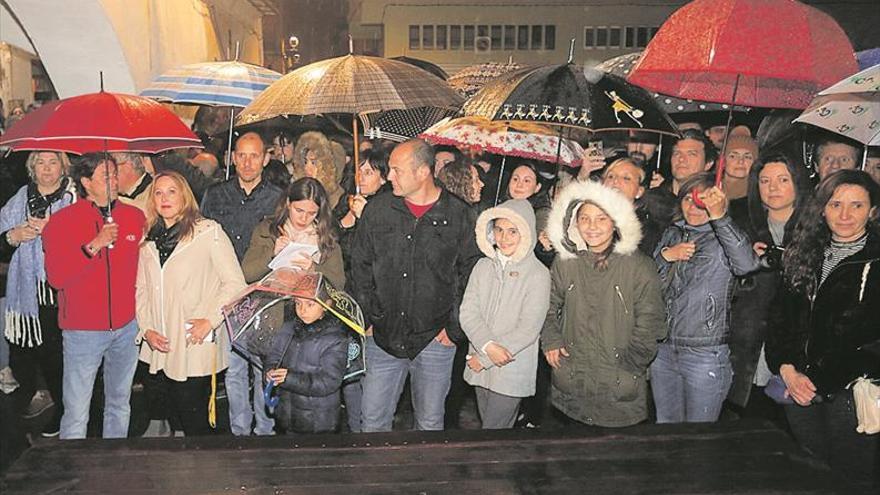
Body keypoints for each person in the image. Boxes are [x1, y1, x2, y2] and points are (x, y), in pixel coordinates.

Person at [350, 139, 481, 432]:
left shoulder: (457, 214)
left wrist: (453, 328)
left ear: (423, 172)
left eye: (396, 170)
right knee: (371, 421)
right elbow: (360, 268)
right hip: (382, 338)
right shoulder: (378, 210)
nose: (389, 176)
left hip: (435, 339)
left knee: (430, 423)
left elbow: (470, 273)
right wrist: (369, 318)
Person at [766, 170, 879, 491]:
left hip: (851, 391)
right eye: (835, 204)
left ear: (872, 210)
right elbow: (779, 320)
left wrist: (821, 378)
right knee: (809, 473)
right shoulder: (803, 253)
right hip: (797, 387)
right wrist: (787, 369)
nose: (845, 215)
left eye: (856, 205)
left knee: (851, 477)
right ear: (822, 208)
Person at [541, 181, 665, 427]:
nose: (592, 227)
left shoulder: (640, 267)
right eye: (585, 219)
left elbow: (651, 323)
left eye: (601, 218)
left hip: (619, 386)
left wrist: (630, 364)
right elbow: (547, 306)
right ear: (575, 222)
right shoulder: (566, 263)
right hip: (572, 381)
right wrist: (551, 339)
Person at [42, 153, 146, 439]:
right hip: (83, 331)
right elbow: (56, 277)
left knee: (119, 403)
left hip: (126, 327)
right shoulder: (62, 222)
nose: (113, 180)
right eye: (105, 176)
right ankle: (74, 471)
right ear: (86, 182)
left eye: (115, 173)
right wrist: (93, 245)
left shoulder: (135, 216)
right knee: (76, 411)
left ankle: (115, 464)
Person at [137, 171, 246, 436]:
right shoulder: (149, 240)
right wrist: (147, 329)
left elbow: (235, 284)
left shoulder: (208, 232)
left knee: (195, 420)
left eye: (171, 191)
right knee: (175, 419)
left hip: (194, 341)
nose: (164, 198)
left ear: (185, 195)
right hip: (161, 345)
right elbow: (140, 290)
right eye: (158, 193)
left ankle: (204, 472)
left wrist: (210, 320)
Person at [651, 173, 759, 423]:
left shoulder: (724, 235)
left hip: (704, 351)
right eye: (688, 198)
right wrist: (666, 256)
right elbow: (646, 284)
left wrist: (720, 217)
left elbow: (746, 264)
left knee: (701, 435)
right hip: (663, 349)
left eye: (702, 200)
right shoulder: (672, 233)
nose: (694, 206)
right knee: (665, 427)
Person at [201, 131, 283, 436]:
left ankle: (265, 431)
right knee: (234, 369)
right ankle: (239, 432)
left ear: (265, 158)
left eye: (254, 155)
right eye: (241, 155)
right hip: (226, 295)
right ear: (232, 158)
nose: (247, 162)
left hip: (264, 295)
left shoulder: (278, 199)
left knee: (265, 369)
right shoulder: (215, 195)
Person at [726, 154, 813, 419]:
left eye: (782, 180)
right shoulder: (740, 223)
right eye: (765, 181)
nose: (773, 188)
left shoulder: (815, 228)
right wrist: (743, 257)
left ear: (798, 183)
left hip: (794, 342)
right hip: (745, 339)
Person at [0, 151, 75, 437]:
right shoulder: (20, 198)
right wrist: (13, 237)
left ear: (62, 166)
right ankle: (50, 404)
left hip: (64, 290)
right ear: (32, 167)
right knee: (27, 356)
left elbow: (85, 241)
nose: (46, 168)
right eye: (40, 162)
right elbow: (2, 241)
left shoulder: (74, 197)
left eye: (53, 162)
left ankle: (66, 413)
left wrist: (52, 230)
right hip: (28, 293)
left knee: (59, 358)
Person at [460, 199, 550, 429]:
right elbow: (468, 312)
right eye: (499, 229)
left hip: (510, 365)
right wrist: (487, 347)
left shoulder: (538, 274)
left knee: (494, 431)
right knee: (488, 428)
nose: (504, 237)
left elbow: (528, 328)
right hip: (480, 363)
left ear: (527, 232)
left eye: (513, 231)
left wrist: (485, 358)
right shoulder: (482, 266)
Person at [264, 291, 350, 434]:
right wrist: (270, 372)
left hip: (319, 421)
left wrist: (289, 378)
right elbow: (274, 357)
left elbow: (329, 381)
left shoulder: (335, 338)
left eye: (310, 304)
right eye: (298, 303)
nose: (302, 310)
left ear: (326, 305)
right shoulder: (288, 329)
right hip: (288, 413)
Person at [292, 131, 345, 208]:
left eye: (314, 163)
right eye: (306, 162)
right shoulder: (302, 193)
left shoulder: (339, 201)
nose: (306, 168)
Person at [720, 132, 758, 201]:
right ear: (723, 161)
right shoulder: (708, 189)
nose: (741, 161)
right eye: (733, 156)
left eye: (747, 157)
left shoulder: (760, 194)